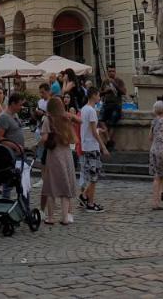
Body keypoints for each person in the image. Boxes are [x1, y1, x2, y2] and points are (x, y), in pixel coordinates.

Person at [39, 96, 77, 224]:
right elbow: (72, 138)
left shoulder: (47, 120)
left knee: (51, 187)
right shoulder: (66, 119)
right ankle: (65, 218)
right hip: (66, 154)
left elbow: (44, 139)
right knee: (65, 186)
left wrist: (41, 143)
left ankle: (50, 218)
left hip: (54, 154)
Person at [77, 88, 108, 212]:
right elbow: (94, 132)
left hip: (86, 145)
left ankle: (84, 197)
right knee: (94, 176)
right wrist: (103, 146)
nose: (99, 97)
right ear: (94, 95)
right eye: (98, 95)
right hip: (92, 146)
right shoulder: (91, 110)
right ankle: (89, 201)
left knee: (90, 174)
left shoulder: (83, 109)